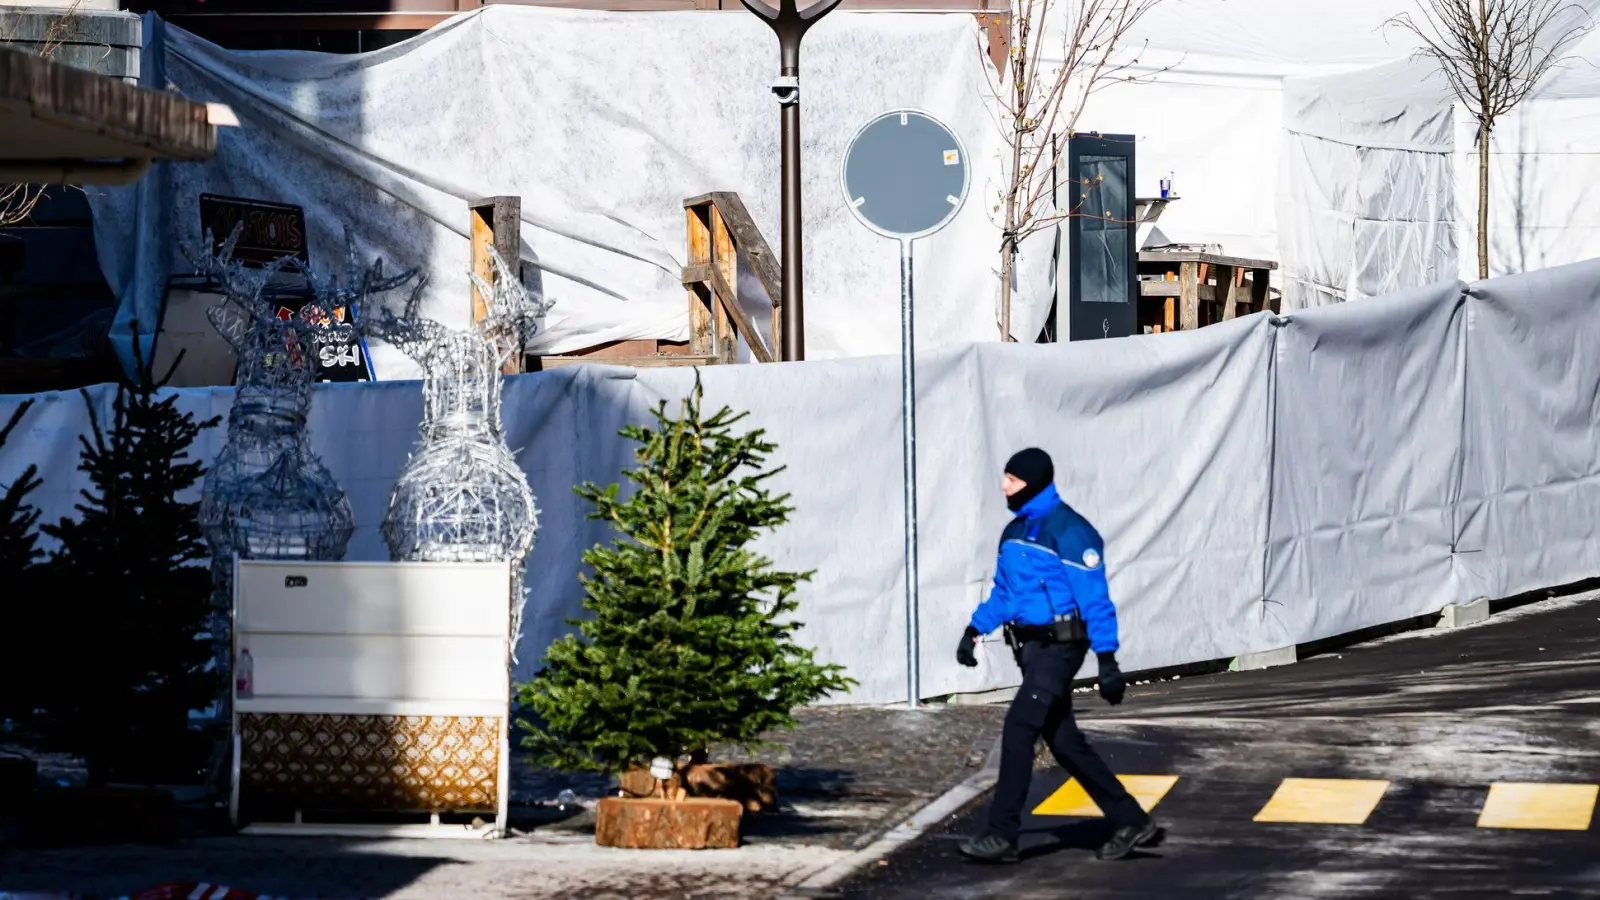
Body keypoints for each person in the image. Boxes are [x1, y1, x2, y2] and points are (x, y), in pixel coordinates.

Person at [955, 447, 1162, 864]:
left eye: (1012, 479)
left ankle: (1002, 834)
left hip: (1061, 648)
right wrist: (974, 630)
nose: (1004, 486)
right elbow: (1005, 594)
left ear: (1032, 482)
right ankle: (1131, 820)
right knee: (1064, 742)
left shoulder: (1071, 532)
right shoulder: (1013, 532)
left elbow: (1095, 600)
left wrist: (1107, 660)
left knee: (1019, 728)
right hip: (1031, 650)